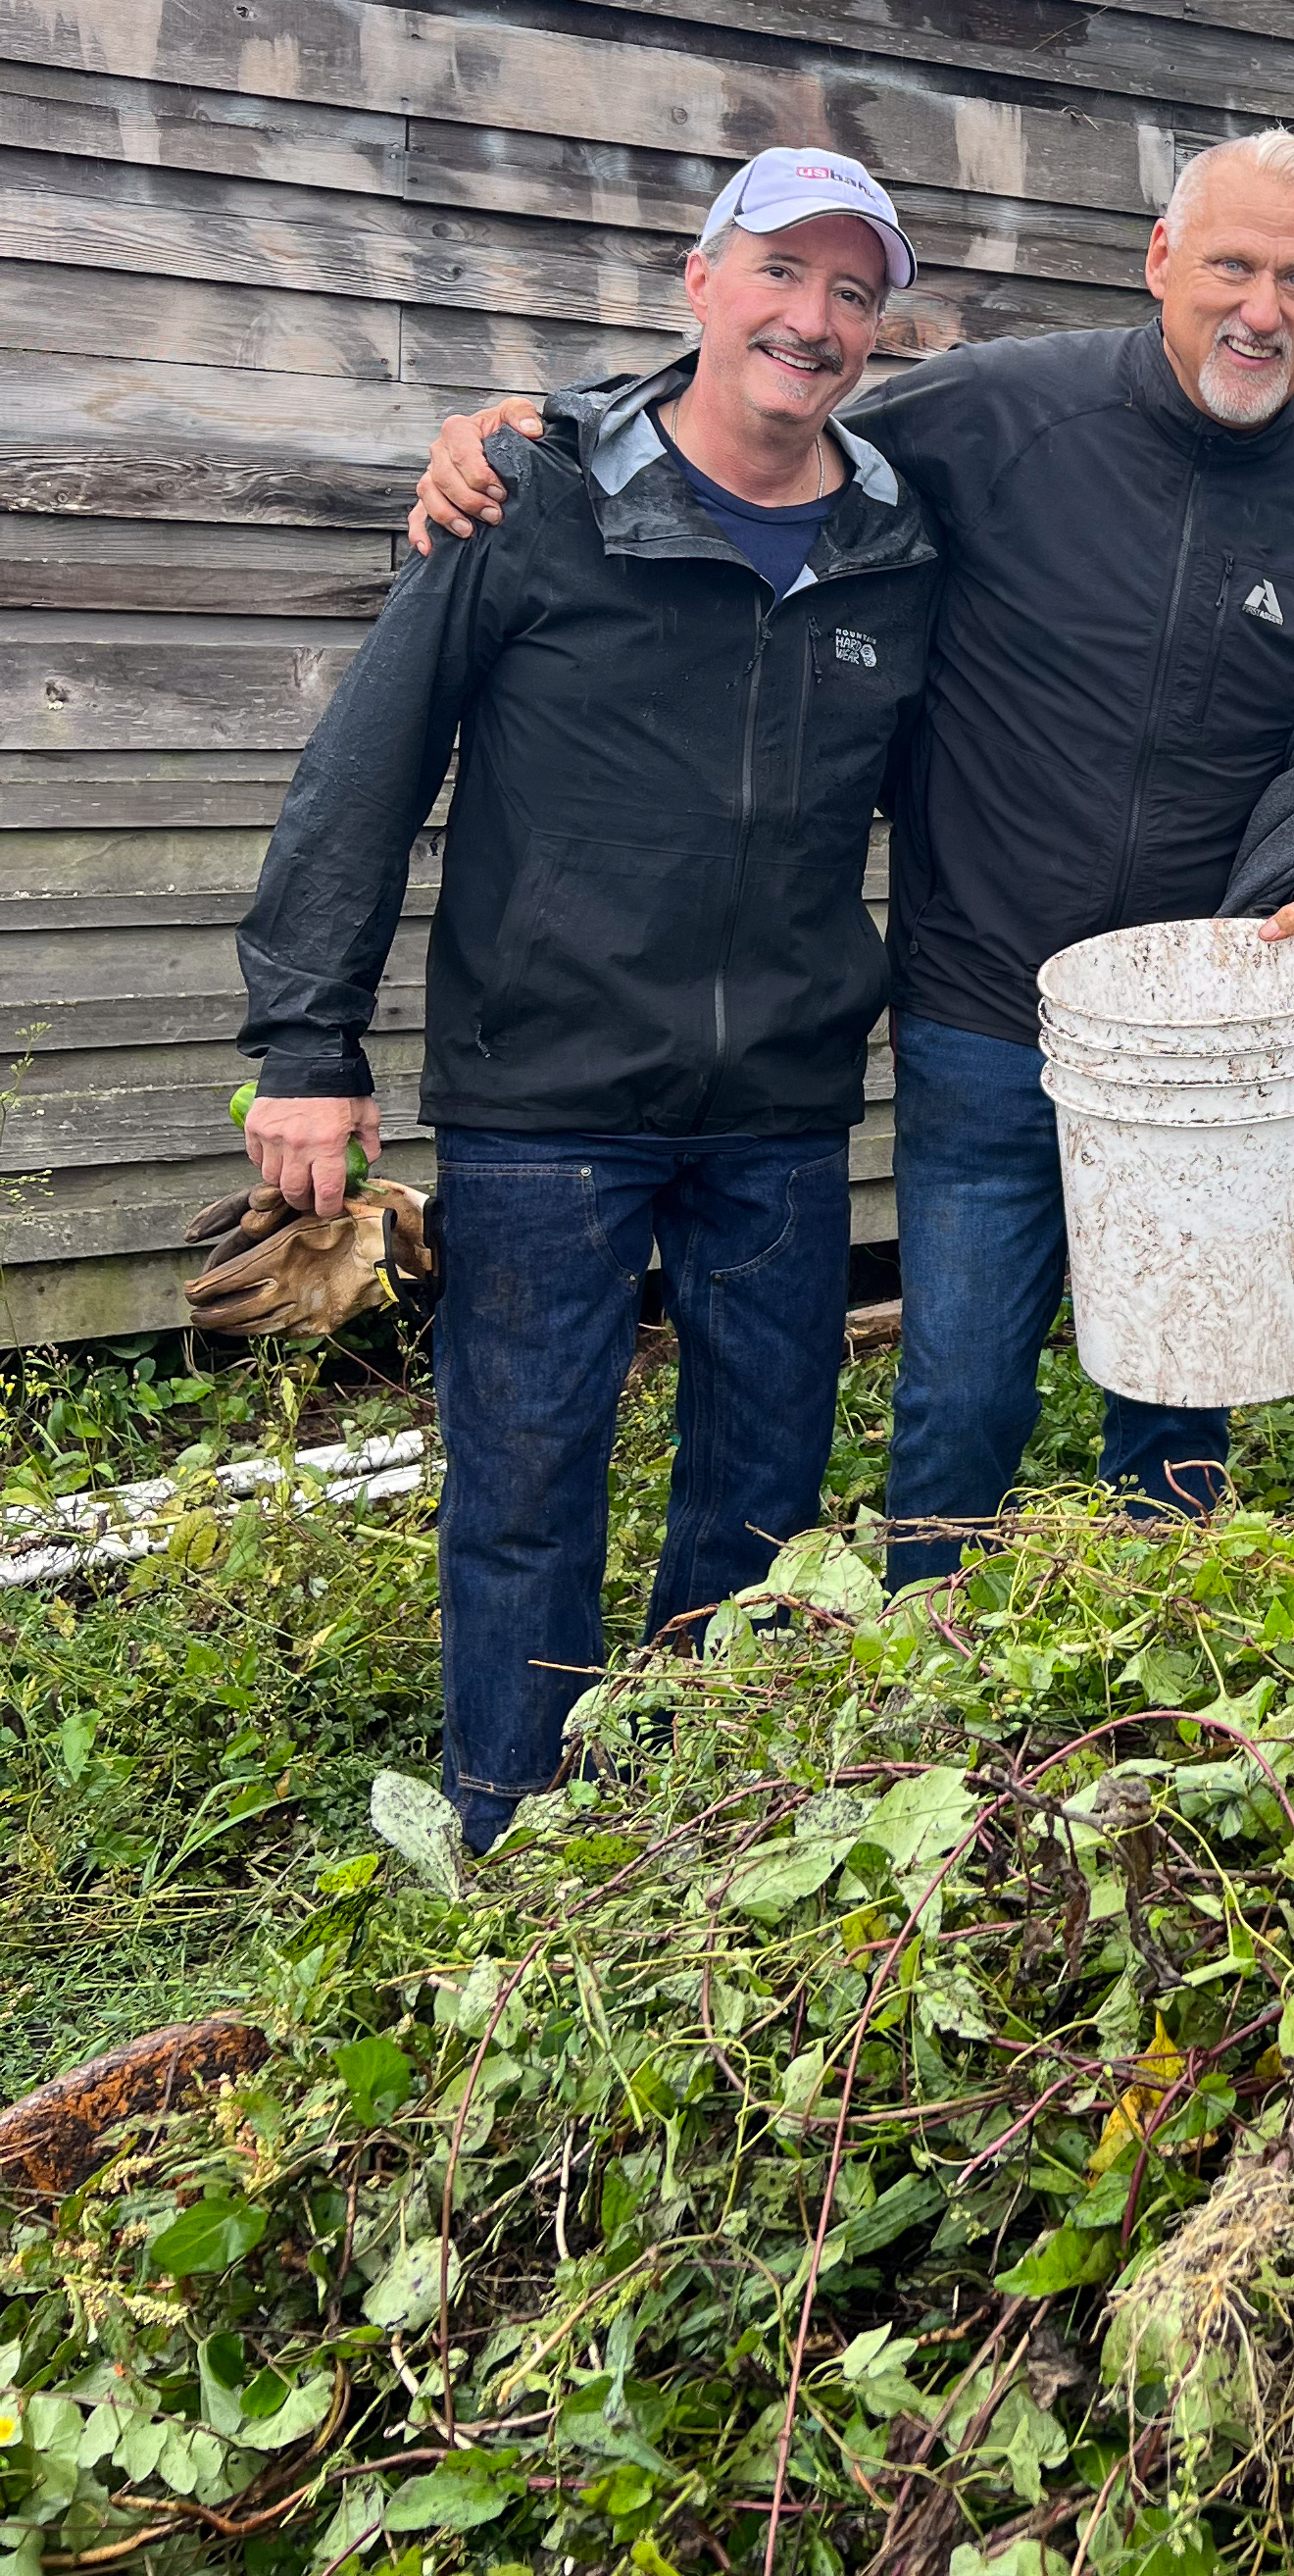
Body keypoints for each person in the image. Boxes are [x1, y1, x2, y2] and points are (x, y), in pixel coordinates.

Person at [406, 128, 1294, 1575]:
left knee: (1177, 1409)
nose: (1264, 308)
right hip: (982, 1016)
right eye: (1232, 265)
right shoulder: (997, 412)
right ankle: (924, 1673)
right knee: (961, 1395)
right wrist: (544, 430)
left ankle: (1162, 1674)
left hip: (1210, 1051)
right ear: (1160, 261)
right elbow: (762, 415)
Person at [237, 151, 940, 1847]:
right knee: (527, 1483)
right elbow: (367, 762)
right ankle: (509, 1829)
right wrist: (308, 1040)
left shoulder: (895, 542)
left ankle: (686, 1819)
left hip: (775, 1103)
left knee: (760, 1492)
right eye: (782, 270)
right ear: (697, 281)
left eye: (854, 292)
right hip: (545, 1094)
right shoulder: (532, 500)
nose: (814, 317)